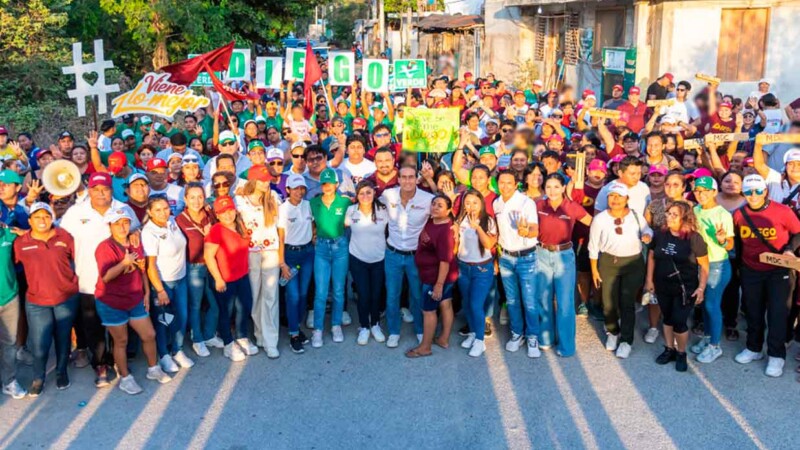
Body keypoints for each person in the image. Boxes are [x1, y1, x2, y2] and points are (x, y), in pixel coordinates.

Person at [60, 172, 140, 387]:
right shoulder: (76, 212)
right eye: (96, 189)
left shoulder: (123, 208)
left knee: (119, 324)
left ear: (111, 190)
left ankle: (118, 360)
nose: (101, 193)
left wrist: (137, 232)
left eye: (105, 189)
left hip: (119, 279)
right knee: (93, 325)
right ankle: (100, 364)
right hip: (88, 279)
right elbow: (62, 239)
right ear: (89, 191)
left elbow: (135, 229)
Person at [94, 208, 171, 395]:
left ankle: (153, 368)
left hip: (135, 297)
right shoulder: (105, 247)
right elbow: (106, 277)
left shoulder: (135, 242)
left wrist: (146, 292)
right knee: (121, 341)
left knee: (149, 335)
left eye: (125, 223)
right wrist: (124, 263)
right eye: (117, 223)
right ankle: (125, 378)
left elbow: (142, 269)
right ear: (110, 226)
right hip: (111, 302)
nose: (122, 227)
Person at [732, 174, 800, 377]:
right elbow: (738, 242)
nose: (753, 195)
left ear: (766, 192)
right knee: (753, 312)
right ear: (743, 193)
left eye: (758, 191)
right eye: (748, 191)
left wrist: (790, 249)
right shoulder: (739, 214)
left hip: (778, 270)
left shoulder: (782, 211)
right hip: (750, 269)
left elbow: (798, 232)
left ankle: (776, 355)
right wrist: (739, 269)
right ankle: (753, 348)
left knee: (777, 314)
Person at [13, 203, 79, 395]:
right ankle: (38, 377)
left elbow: (76, 258)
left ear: (52, 218)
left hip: (65, 297)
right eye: (37, 217)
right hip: (37, 301)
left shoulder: (64, 236)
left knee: (63, 339)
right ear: (30, 221)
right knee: (39, 343)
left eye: (46, 216)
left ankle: (61, 372)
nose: (42, 220)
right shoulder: (21, 242)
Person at [588, 183, 652, 359]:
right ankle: (613, 331)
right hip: (609, 262)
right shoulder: (600, 219)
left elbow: (647, 229)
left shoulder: (635, 215)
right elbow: (593, 246)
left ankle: (626, 340)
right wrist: (594, 270)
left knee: (627, 302)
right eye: (612, 196)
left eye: (619, 196)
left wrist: (648, 235)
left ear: (627, 199)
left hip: (633, 263)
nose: (615, 199)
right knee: (609, 302)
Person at [644, 202, 709, 372]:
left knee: (679, 321)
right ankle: (669, 349)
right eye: (668, 213)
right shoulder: (660, 234)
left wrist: (701, 288)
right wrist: (649, 280)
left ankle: (681, 353)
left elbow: (704, 265)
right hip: (662, 284)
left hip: (684, 287)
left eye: (674, 214)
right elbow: (651, 256)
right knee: (667, 318)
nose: (669, 217)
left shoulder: (694, 238)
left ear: (685, 218)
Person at [536, 173, 591, 357]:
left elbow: (592, 222)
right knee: (544, 298)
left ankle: (567, 345)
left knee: (565, 302)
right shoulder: (538, 205)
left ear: (563, 188)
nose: (552, 191)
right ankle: (546, 338)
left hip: (564, 255)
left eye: (556, 187)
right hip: (542, 253)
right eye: (548, 187)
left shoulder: (571, 206)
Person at [381, 166, 434, 348]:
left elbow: (444, 208)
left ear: (416, 179)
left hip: (415, 256)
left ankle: (420, 329)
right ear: (398, 179)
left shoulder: (427, 199)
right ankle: (394, 332)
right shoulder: (388, 195)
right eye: (403, 177)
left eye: (411, 177)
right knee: (392, 295)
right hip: (392, 254)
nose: (407, 181)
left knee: (417, 295)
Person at [142, 196, 193, 373]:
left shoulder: (172, 221)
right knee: (163, 319)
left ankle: (177, 350)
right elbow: (150, 266)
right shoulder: (149, 232)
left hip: (181, 278)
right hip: (163, 282)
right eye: (157, 210)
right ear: (149, 212)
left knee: (181, 316)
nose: (163, 213)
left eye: (165, 208)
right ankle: (164, 355)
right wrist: (160, 290)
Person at [494, 170, 541, 357]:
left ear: (516, 185)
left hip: (526, 258)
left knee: (529, 300)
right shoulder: (497, 203)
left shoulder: (526, 202)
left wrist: (526, 232)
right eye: (502, 182)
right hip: (505, 258)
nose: (505, 186)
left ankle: (532, 336)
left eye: (509, 183)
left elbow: (535, 229)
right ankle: (517, 333)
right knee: (512, 299)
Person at [236, 165, 282, 358]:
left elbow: (280, 228)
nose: (266, 183)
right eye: (262, 180)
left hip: (271, 251)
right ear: (253, 181)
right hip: (250, 253)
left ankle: (271, 341)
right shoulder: (240, 200)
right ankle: (260, 334)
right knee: (255, 296)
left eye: (268, 179)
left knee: (271, 296)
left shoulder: (273, 198)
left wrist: (281, 257)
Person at [204, 196, 256, 362]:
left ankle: (241, 336)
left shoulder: (241, 226)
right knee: (226, 311)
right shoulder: (216, 230)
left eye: (230, 210)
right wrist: (218, 279)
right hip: (224, 279)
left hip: (242, 275)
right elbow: (209, 256)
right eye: (222, 212)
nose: (227, 215)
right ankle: (228, 343)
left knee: (244, 307)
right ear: (217, 215)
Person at [175, 182, 223, 358]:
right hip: (193, 267)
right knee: (195, 305)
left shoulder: (210, 214)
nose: (196, 201)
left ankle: (209, 334)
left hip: (213, 265)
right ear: (186, 199)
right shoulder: (179, 220)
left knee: (215, 304)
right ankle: (197, 339)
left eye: (200, 197)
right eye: (192, 197)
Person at [406, 195, 458, 358]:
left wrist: (439, 284)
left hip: (436, 277)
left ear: (448, 211)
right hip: (436, 275)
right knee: (445, 304)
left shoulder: (445, 231)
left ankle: (425, 347)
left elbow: (445, 261)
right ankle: (443, 339)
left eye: (440, 206)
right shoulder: (432, 221)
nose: (435, 207)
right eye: (434, 204)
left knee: (428, 311)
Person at [690, 177, 734, 363]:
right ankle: (708, 338)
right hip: (700, 264)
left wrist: (722, 239)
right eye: (698, 191)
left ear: (714, 192)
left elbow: (730, 245)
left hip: (717, 265)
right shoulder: (695, 210)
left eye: (705, 191)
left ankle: (715, 346)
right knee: (704, 304)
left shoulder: (723, 214)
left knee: (711, 304)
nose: (701, 194)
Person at [309, 168, 351, 347]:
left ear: (337, 184)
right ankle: (317, 329)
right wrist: (313, 234)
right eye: (324, 183)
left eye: (330, 183)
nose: (327, 187)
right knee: (321, 291)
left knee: (339, 290)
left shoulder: (345, 202)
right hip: (321, 248)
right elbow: (310, 222)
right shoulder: (313, 202)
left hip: (340, 247)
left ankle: (336, 325)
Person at [345, 180, 388, 345]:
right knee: (363, 294)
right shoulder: (351, 210)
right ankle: (364, 326)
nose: (365, 196)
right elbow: (341, 226)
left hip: (379, 259)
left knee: (376, 294)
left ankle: (375, 324)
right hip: (357, 259)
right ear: (356, 195)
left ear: (374, 193)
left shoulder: (383, 210)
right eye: (361, 193)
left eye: (368, 192)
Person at [455, 189, 497, 357]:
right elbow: (457, 245)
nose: (471, 206)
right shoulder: (460, 219)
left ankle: (480, 341)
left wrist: (478, 228)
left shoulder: (488, 221)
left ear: (481, 204)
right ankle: (473, 332)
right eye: (467, 203)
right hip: (463, 267)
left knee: (475, 304)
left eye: (475, 203)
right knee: (466, 303)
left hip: (482, 269)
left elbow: (488, 244)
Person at [277, 174, 314, 353]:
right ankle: (293, 335)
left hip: (307, 254)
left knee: (303, 294)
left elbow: (312, 226)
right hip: (290, 255)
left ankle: (296, 327)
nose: (299, 192)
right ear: (288, 190)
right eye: (295, 188)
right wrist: (282, 263)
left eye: (302, 188)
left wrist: (313, 237)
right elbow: (280, 238)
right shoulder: (283, 209)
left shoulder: (308, 205)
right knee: (293, 295)